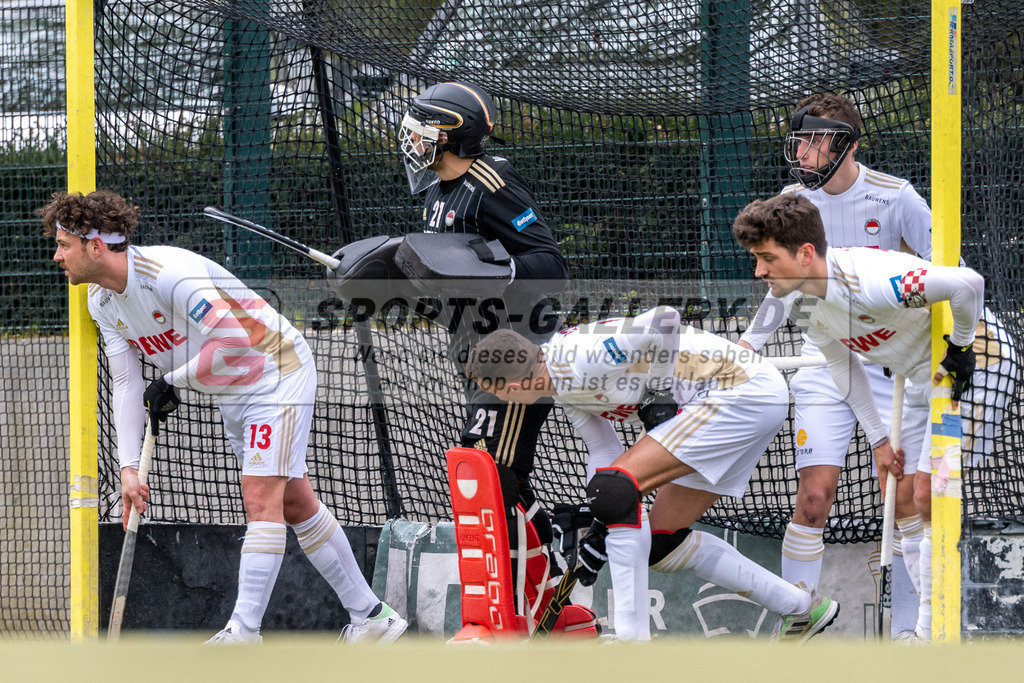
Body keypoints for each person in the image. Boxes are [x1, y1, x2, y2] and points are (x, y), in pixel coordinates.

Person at [41, 189, 407, 644]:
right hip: (232, 391)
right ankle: (372, 616)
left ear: (95, 246)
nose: (57, 256)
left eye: (63, 245)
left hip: (276, 370)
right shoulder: (101, 301)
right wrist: (128, 467)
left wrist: (173, 380)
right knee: (293, 501)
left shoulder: (169, 275)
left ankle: (243, 633)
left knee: (259, 495)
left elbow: (233, 341)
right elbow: (127, 383)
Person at [738, 93, 1016, 640]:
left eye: (813, 141)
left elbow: (964, 281)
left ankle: (930, 637)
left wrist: (961, 347)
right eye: (798, 141)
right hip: (903, 364)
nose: (801, 152)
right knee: (901, 496)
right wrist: (877, 438)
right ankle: (918, 638)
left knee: (928, 495)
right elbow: (842, 365)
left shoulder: (883, 244)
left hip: (963, 364)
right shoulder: (804, 288)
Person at [465, 306, 841, 642]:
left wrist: (658, 391)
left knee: (615, 491)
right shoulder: (563, 387)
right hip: (730, 404)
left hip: (739, 392)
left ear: (513, 387)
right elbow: (605, 452)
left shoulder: (578, 356)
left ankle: (632, 643)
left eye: (496, 394)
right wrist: (599, 519)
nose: (501, 401)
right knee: (660, 543)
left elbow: (664, 320)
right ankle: (800, 607)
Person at [397, 82, 594, 632]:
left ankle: (498, 619)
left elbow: (549, 265)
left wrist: (493, 270)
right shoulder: (437, 192)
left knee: (486, 475)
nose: (411, 138)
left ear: (449, 136)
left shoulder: (492, 184)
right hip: (476, 357)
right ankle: (557, 607)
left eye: (422, 129)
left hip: (516, 357)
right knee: (503, 481)